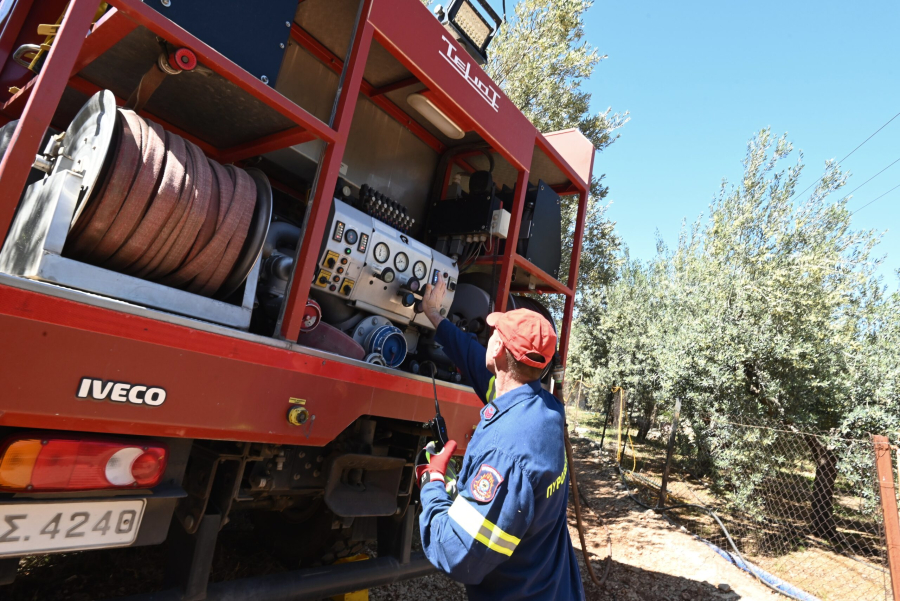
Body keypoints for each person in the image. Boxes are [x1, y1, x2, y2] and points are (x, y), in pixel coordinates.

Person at [415, 274, 585, 601]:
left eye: (494, 333)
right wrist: (435, 315)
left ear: (500, 350)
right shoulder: (545, 410)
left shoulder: (505, 456)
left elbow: (456, 555)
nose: (488, 337)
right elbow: (470, 356)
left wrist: (434, 483)